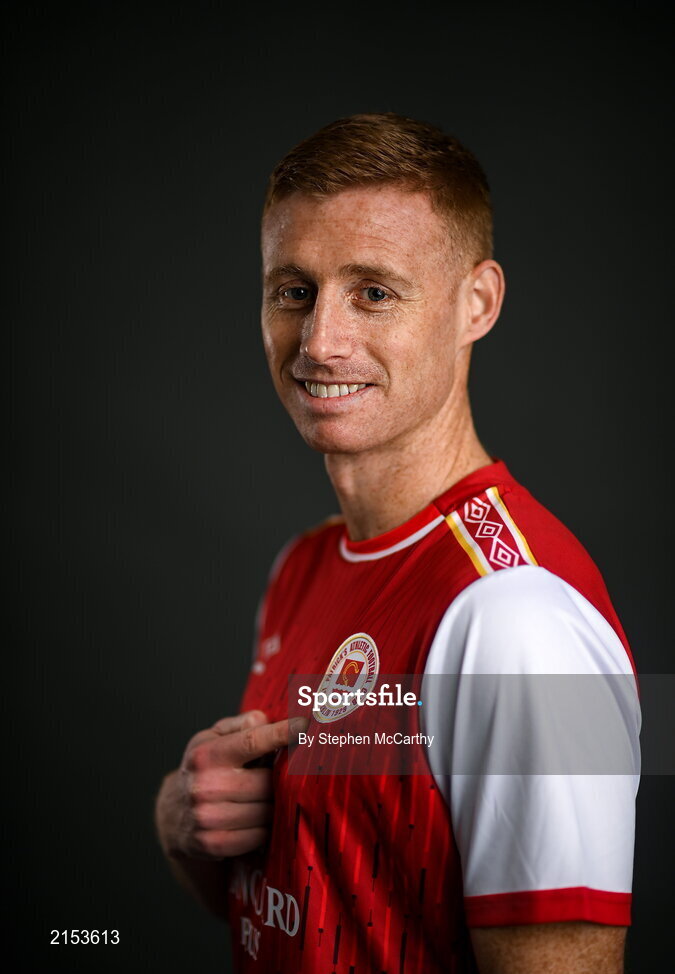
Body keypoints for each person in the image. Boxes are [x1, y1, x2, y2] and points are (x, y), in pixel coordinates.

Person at [154, 113, 640, 973]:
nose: (318, 343)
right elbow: (297, 910)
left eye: (373, 292)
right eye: (292, 290)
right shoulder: (301, 565)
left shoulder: (517, 620)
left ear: (475, 303)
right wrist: (185, 829)